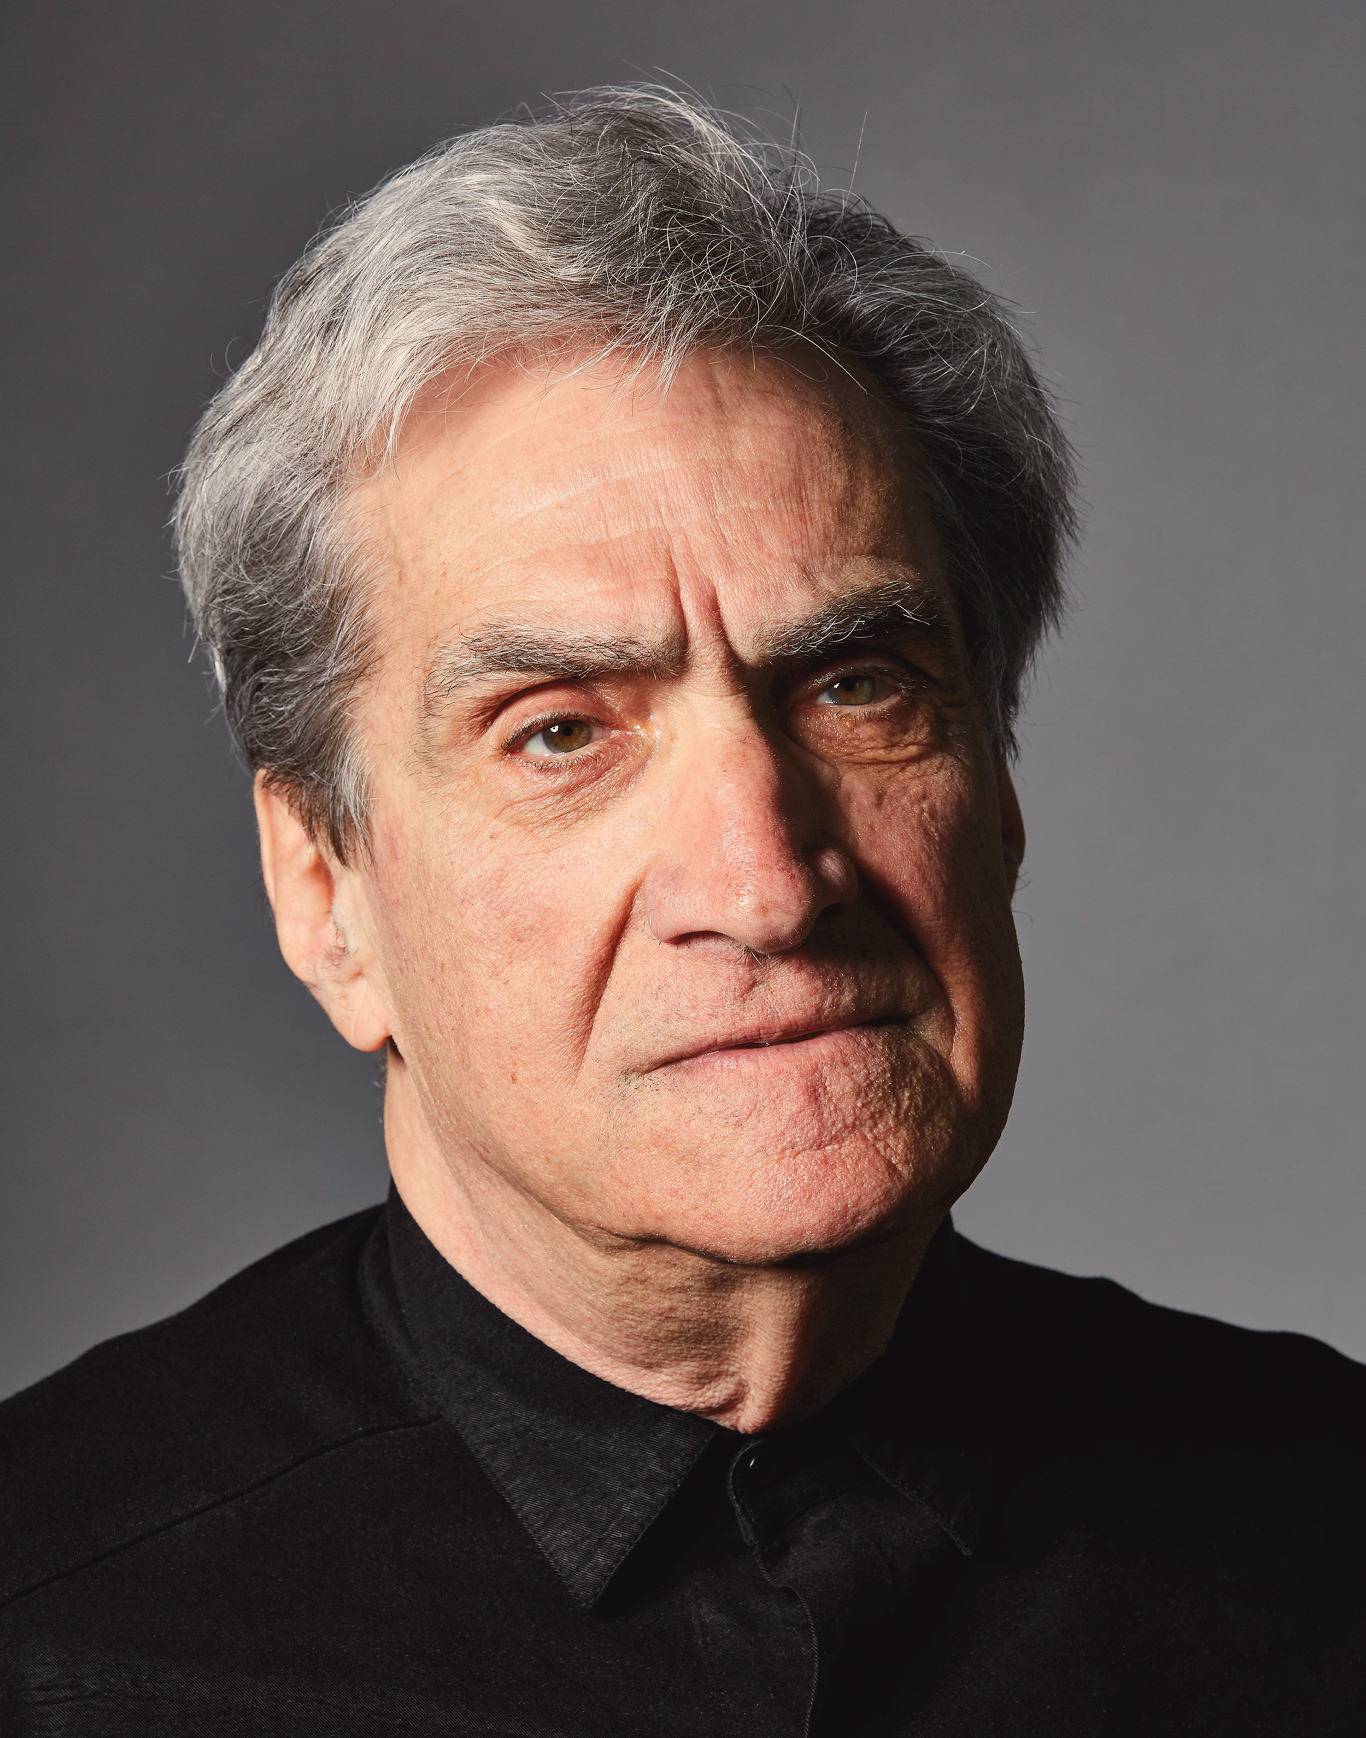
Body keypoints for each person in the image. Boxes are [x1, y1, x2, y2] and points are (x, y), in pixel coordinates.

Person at [1, 86, 1361, 1735]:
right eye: (561, 729)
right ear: (324, 892)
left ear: (997, 792)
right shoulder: (56, 1626)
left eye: (854, 685)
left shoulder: (1319, 1536)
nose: (767, 882)